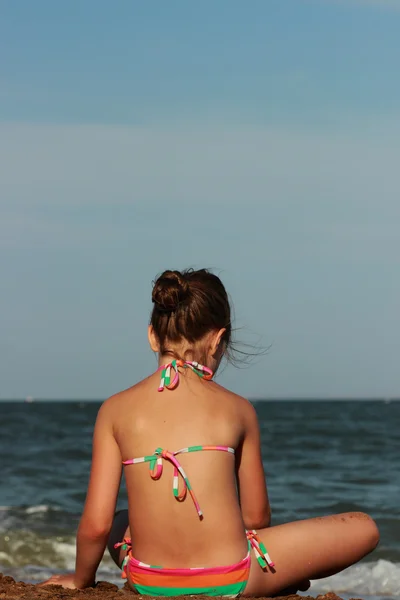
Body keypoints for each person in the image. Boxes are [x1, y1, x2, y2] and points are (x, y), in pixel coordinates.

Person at [41, 268, 379, 597]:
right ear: (218, 341)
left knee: (119, 522)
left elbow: (96, 527)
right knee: (364, 526)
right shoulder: (238, 409)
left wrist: (81, 579)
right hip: (232, 578)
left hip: (149, 580)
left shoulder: (113, 410)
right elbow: (256, 517)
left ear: (152, 336)